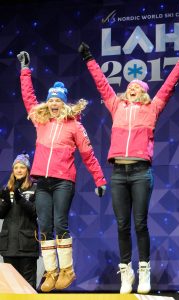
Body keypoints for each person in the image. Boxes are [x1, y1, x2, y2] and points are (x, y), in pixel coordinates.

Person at [78, 42, 179, 294]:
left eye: (135, 88)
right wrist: (89, 58)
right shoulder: (116, 106)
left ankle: (143, 270)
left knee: (139, 223)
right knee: (122, 225)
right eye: (128, 87)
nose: (130, 89)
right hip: (118, 173)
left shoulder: (152, 109)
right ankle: (125, 272)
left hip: (141, 172)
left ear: (142, 93)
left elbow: (169, 85)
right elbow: (101, 83)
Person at [16, 51, 107, 293]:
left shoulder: (75, 126)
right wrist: (25, 70)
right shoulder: (41, 121)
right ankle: (51, 271)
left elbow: (88, 155)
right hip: (42, 183)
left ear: (64, 103)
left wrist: (99, 179)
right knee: (44, 225)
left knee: (60, 222)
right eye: (51, 100)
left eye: (58, 100)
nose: (54, 104)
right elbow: (28, 98)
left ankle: (67, 269)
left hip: (63, 181)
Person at [0, 153, 38, 289]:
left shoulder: (35, 188)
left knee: (27, 286)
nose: (19, 170)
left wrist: (20, 199)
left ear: (27, 170)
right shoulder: (6, 189)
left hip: (27, 246)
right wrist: (5, 201)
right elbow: (1, 214)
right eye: (16, 167)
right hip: (8, 246)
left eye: (22, 167)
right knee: (10, 286)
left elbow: (36, 212)